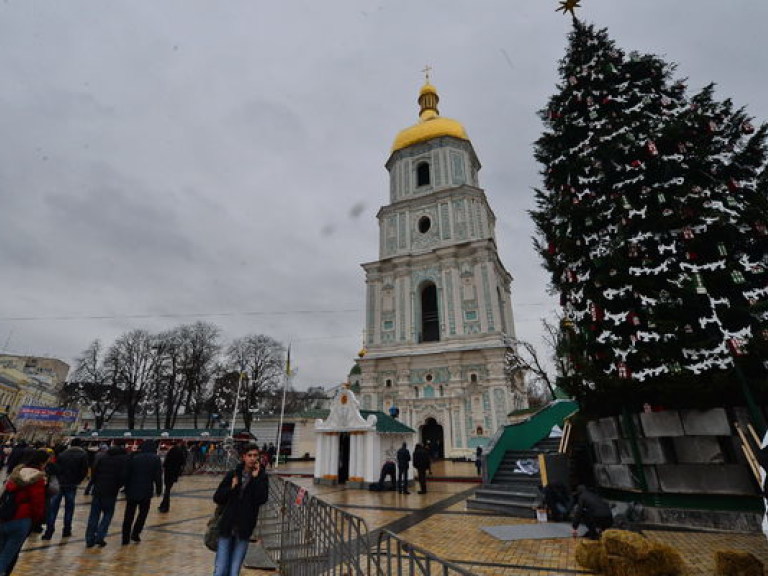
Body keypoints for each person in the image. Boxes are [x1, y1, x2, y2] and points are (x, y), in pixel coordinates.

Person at [212, 442, 269, 576]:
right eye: (250, 455)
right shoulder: (233, 474)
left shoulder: (262, 477)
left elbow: (261, 499)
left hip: (244, 529)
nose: (253, 458)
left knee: (234, 571)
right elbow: (217, 497)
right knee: (220, 569)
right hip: (227, 526)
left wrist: (255, 479)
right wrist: (231, 488)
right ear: (244, 457)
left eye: (256, 455)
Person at [0, 449, 49, 574]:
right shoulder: (37, 478)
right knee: (8, 555)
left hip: (4, 515)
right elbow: (37, 503)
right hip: (22, 519)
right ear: (42, 463)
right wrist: (36, 520)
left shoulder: (14, 474)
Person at [84, 442, 129, 548]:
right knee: (108, 514)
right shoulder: (122, 461)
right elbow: (123, 477)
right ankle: (100, 536)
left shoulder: (103, 458)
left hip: (98, 489)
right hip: (111, 491)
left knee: (93, 515)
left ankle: (89, 539)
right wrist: (118, 486)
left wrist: (94, 484)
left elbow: (94, 473)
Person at [43, 439, 88, 540]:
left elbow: (57, 468)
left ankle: (49, 531)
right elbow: (84, 471)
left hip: (60, 483)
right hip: (71, 484)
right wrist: (78, 480)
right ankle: (66, 530)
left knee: (53, 508)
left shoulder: (63, 454)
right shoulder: (83, 455)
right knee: (69, 508)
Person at [121, 440, 162, 545]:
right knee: (142, 514)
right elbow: (158, 476)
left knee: (129, 515)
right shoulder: (156, 459)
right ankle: (136, 533)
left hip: (132, 490)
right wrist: (159, 489)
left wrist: (125, 487)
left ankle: (125, 537)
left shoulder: (133, 457)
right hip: (146, 490)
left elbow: (126, 473)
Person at [158, 441, 186, 513]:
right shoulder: (179, 451)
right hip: (175, 473)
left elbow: (165, 463)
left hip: (169, 473)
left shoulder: (171, 451)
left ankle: (165, 507)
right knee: (167, 490)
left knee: (167, 490)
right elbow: (183, 462)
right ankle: (163, 505)